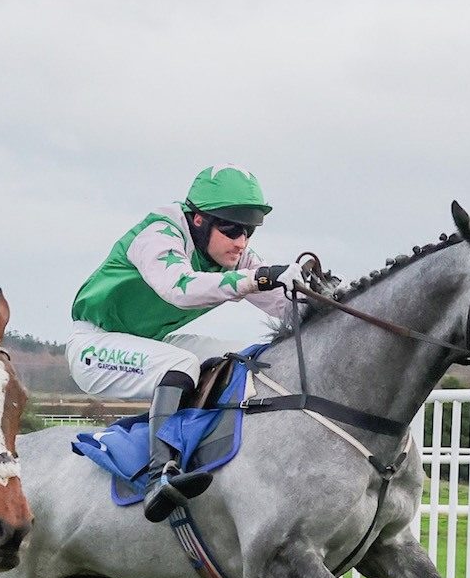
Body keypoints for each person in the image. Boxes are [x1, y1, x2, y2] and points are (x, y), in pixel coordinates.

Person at [68, 165, 302, 521]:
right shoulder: (159, 234)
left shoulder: (232, 256)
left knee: (243, 358)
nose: (241, 241)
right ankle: (158, 476)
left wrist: (330, 295)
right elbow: (180, 288)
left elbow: (283, 304)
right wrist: (255, 280)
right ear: (198, 220)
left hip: (151, 341)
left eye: (249, 230)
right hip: (94, 345)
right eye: (231, 228)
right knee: (180, 365)